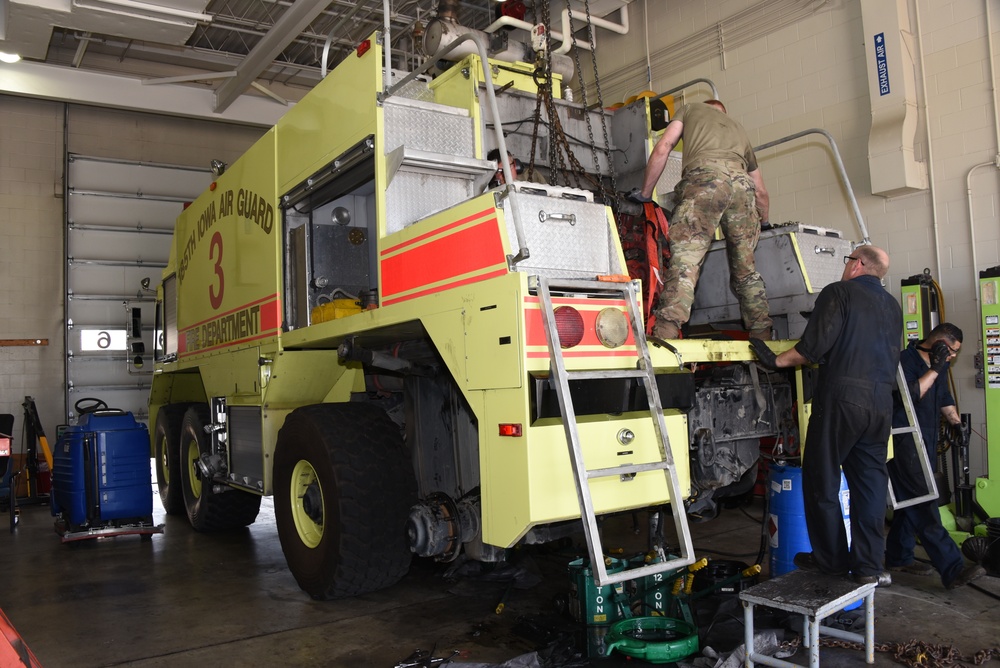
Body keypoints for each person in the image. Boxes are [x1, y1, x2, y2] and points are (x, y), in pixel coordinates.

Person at [749, 245, 902, 586]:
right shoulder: (892, 305)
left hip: (843, 399)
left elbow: (811, 348)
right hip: (881, 404)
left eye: (847, 260)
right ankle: (868, 566)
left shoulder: (839, 292)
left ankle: (830, 561)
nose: (845, 266)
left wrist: (774, 360)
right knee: (871, 486)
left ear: (857, 264)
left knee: (823, 478)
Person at [633, 99, 772, 341]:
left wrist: (645, 194)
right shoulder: (738, 128)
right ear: (723, 113)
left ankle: (666, 331)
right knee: (746, 269)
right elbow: (760, 191)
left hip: (706, 180)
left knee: (686, 261)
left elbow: (664, 146)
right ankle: (762, 333)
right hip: (742, 187)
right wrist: (766, 222)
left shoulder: (690, 108)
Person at [884, 323, 987, 589]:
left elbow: (943, 397)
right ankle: (952, 569)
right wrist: (936, 368)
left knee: (910, 502)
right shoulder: (902, 361)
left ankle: (898, 556)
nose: (952, 357)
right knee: (924, 502)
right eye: (951, 351)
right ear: (940, 343)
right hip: (903, 440)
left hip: (925, 440)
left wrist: (955, 423)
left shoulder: (939, 365)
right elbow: (911, 394)